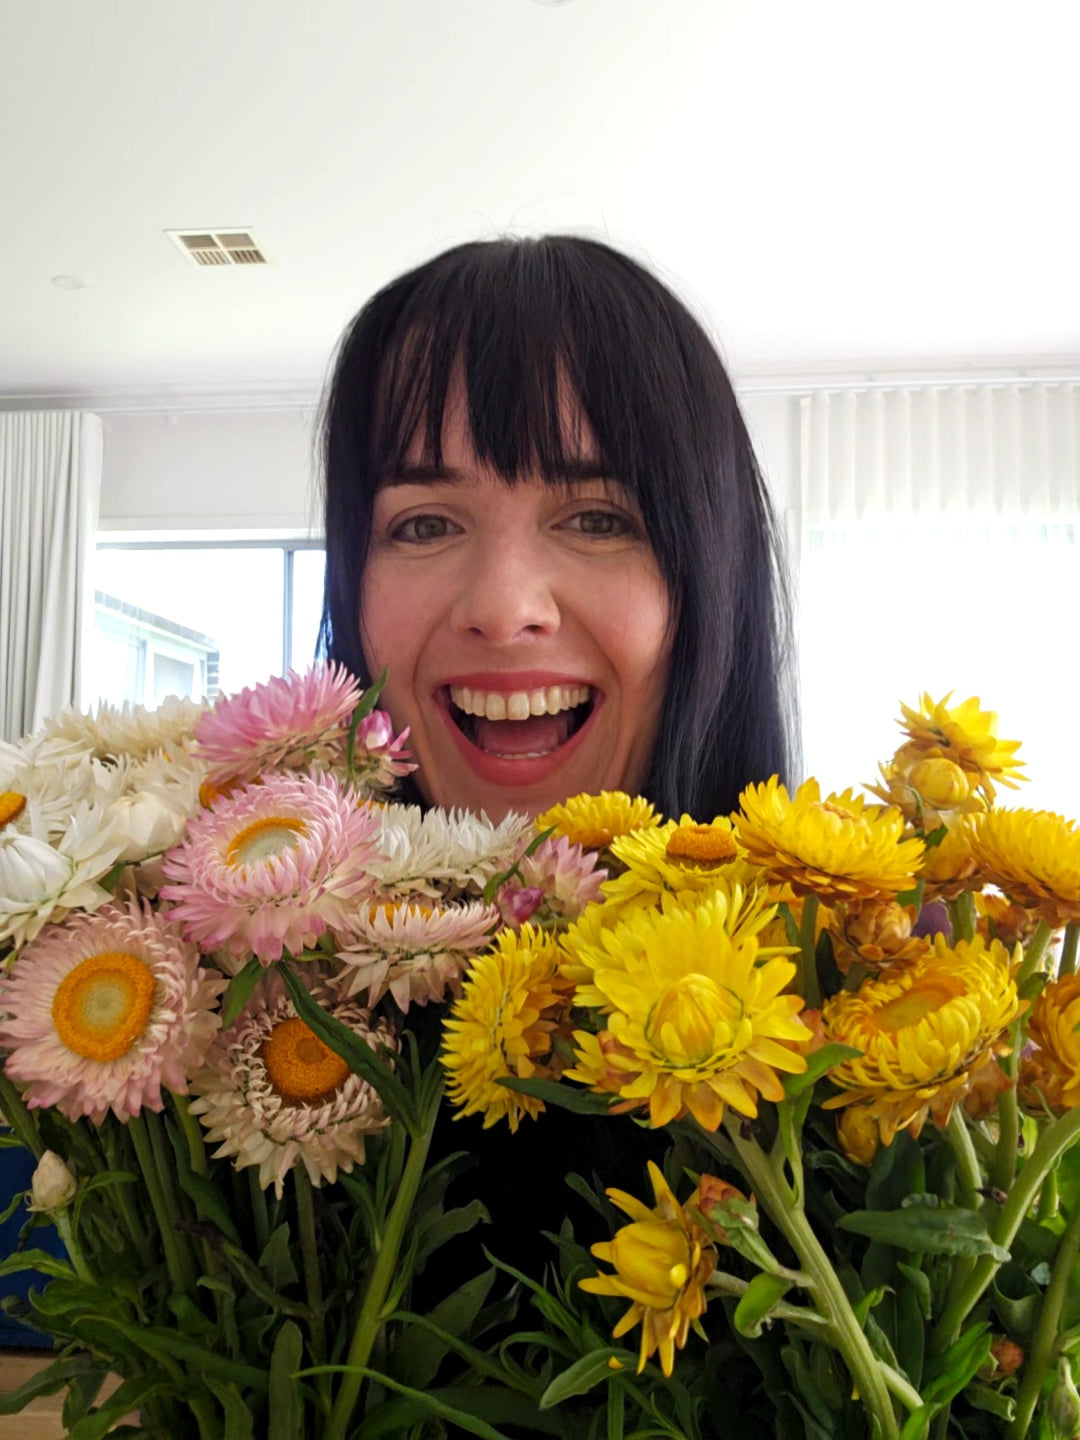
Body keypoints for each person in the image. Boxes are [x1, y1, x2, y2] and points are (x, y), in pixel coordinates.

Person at [318, 234, 798, 1280]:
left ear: (709, 583)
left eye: (595, 518)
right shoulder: (253, 1047)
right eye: (425, 522)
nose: (503, 609)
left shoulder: (870, 1018)